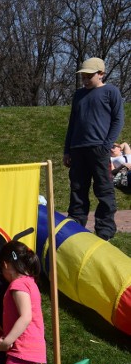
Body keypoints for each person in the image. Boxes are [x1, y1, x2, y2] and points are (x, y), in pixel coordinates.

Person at [63, 57, 124, 241]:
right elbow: (72, 124)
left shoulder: (111, 92)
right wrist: (67, 150)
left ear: (101, 74)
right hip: (77, 150)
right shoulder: (78, 95)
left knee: (104, 190)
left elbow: (118, 120)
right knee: (78, 189)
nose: (85, 79)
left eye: (89, 76)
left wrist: (106, 145)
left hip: (100, 150)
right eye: (83, 76)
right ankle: (75, 226)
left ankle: (104, 231)